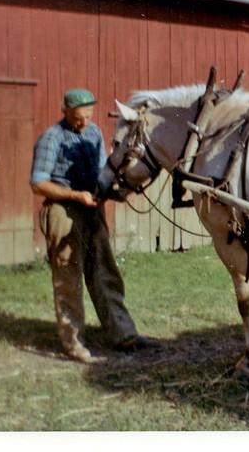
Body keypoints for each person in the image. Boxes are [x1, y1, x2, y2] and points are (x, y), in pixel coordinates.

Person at [30, 88, 156, 362]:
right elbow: (38, 183)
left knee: (104, 270)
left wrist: (117, 187)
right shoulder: (51, 139)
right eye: (77, 119)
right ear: (65, 112)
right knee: (68, 276)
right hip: (63, 210)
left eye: (87, 117)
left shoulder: (94, 133)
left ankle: (123, 334)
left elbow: (103, 170)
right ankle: (73, 342)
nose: (83, 123)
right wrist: (76, 195)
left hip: (92, 208)